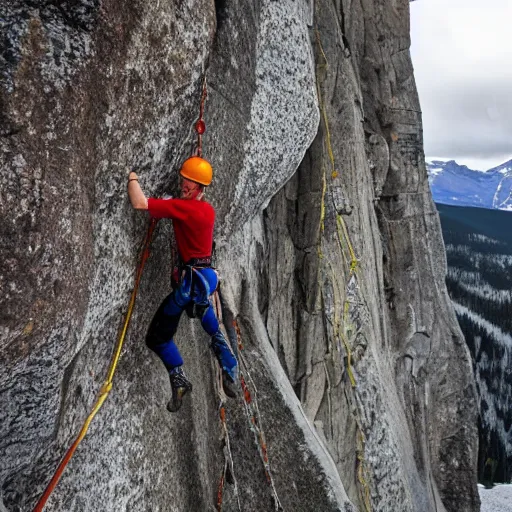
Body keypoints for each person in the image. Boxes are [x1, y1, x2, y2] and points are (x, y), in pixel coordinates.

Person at [127, 156, 238, 412]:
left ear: (200, 188)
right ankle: (229, 365)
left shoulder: (183, 207)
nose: (184, 185)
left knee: (158, 337)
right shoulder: (207, 210)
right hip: (205, 277)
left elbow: (139, 202)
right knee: (204, 312)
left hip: (190, 282)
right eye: (184, 180)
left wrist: (132, 174)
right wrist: (172, 206)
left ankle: (180, 379)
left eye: (190, 183)